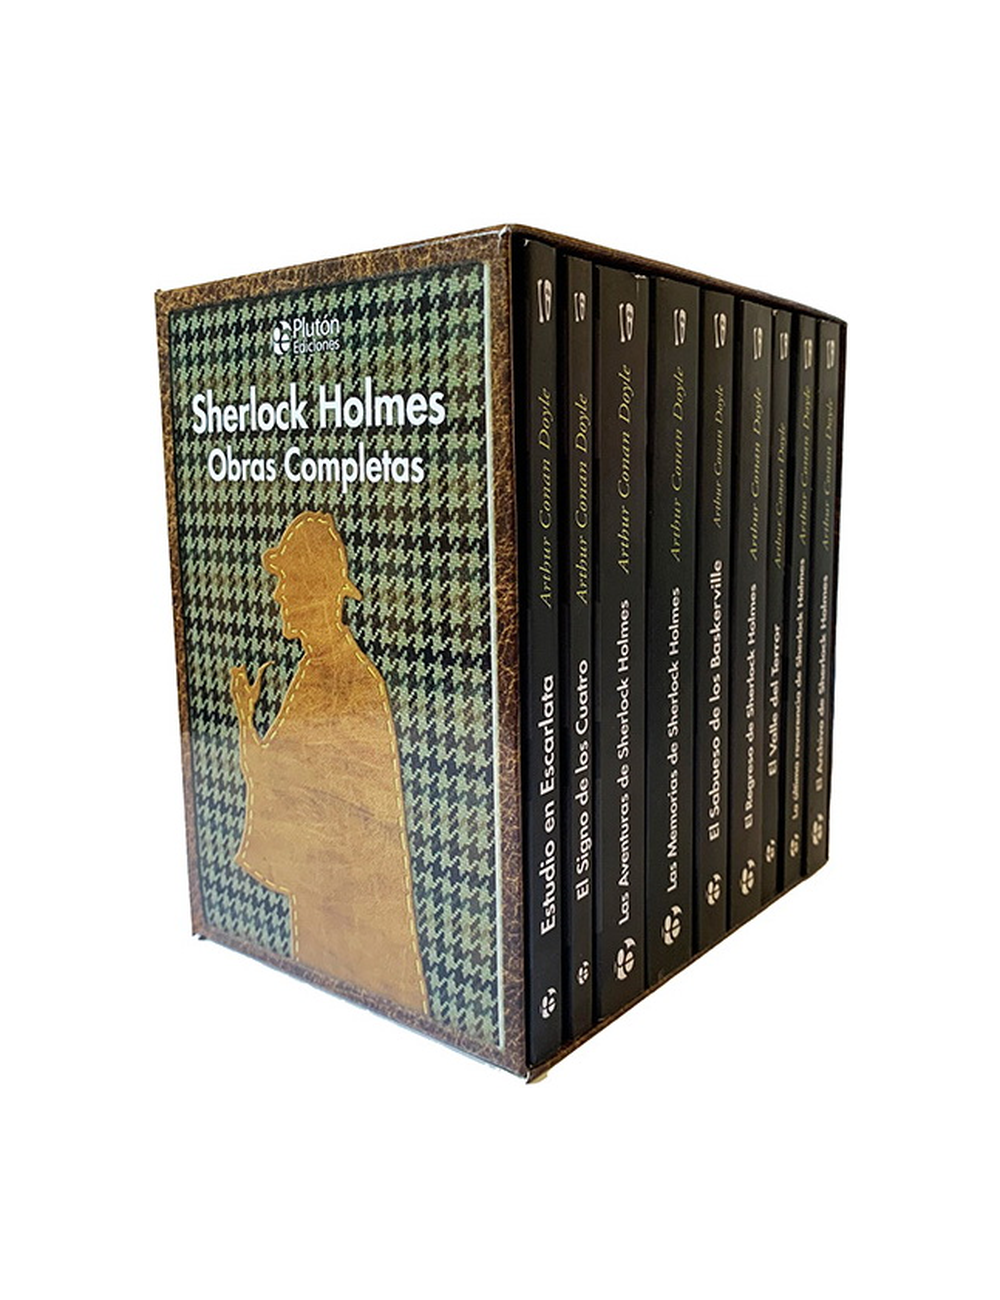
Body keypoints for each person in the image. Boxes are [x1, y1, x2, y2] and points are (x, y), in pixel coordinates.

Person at [230, 510, 428, 1015]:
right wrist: (247, 721)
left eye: (288, 583)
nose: (279, 595)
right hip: (325, 899)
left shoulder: (349, 679)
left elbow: (347, 811)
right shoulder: (315, 672)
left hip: (352, 908)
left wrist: (251, 730)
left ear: (314, 591)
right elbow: (281, 775)